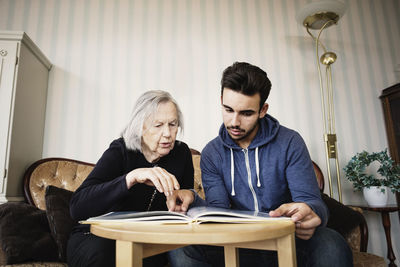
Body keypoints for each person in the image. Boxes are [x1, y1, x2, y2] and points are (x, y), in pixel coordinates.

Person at [167, 62, 353, 267]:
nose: (234, 122)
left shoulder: (290, 142)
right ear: (221, 101)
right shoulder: (212, 152)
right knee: (181, 246)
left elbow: (311, 201)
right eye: (228, 109)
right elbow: (217, 211)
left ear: (262, 110)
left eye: (246, 113)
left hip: (288, 240)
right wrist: (193, 199)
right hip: (238, 243)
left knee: (332, 244)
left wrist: (312, 212)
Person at [67, 90, 194, 267]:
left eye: (173, 124)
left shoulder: (181, 154)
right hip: (99, 238)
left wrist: (188, 196)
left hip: (146, 240)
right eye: (158, 125)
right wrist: (131, 178)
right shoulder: (120, 150)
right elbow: (77, 206)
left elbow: (186, 201)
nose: (167, 133)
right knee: (107, 255)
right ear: (140, 126)